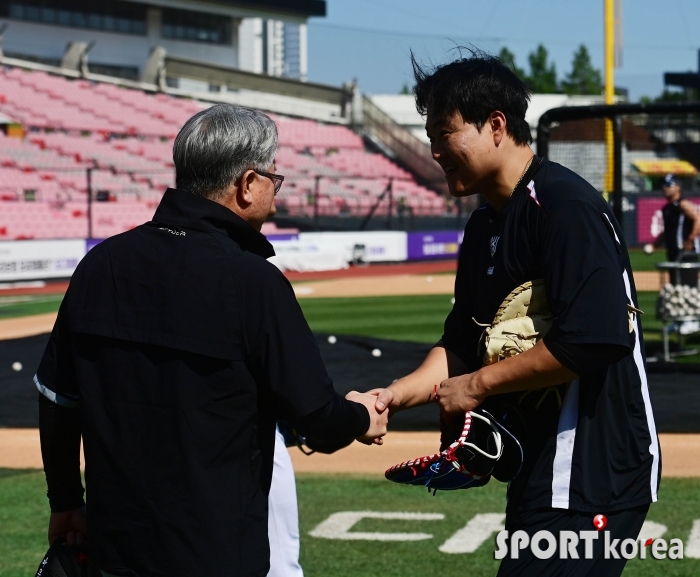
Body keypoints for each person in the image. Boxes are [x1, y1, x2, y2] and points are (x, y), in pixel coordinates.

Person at [35, 103, 388, 577]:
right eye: (273, 180)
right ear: (246, 184)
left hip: (113, 554)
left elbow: (58, 398)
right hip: (217, 556)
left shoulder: (101, 265)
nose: (276, 197)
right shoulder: (254, 282)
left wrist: (64, 501)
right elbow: (317, 419)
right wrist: (361, 415)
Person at [370, 52, 660, 576]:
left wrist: (477, 387)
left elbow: (594, 337)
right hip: (543, 469)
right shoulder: (484, 224)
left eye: (444, 133)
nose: (435, 151)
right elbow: (461, 342)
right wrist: (395, 395)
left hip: (592, 471)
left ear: (496, 126)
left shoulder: (565, 204)